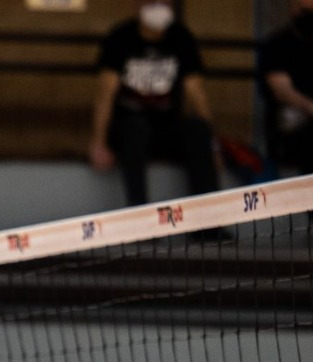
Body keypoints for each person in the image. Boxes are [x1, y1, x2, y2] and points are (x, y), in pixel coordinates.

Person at [89, 1, 219, 207]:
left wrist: (214, 147)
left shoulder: (181, 37)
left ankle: (209, 216)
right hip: (128, 129)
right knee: (135, 127)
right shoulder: (120, 37)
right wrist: (99, 143)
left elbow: (197, 94)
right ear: (136, 4)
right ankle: (140, 213)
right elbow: (105, 94)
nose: (159, 4)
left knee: (197, 128)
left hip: (167, 126)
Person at [260, 0, 313, 184]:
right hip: (293, 129)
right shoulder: (277, 46)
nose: (308, 11)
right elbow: (281, 90)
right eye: (303, 8)